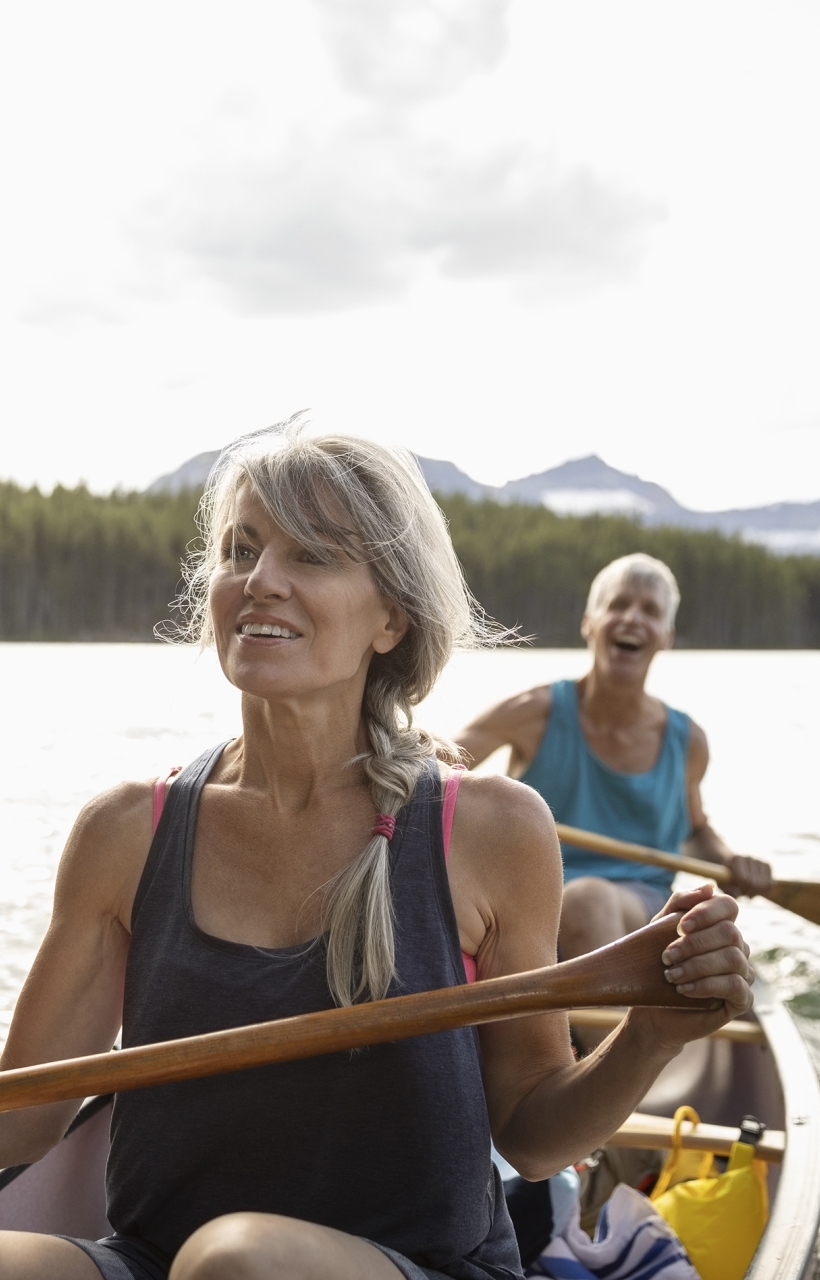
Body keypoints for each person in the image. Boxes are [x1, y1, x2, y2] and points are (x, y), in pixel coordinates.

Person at [0, 420, 754, 1280]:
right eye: (241, 550)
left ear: (391, 617)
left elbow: (536, 1137)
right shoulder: (125, 831)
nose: (260, 582)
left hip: (420, 1265)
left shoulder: (491, 830)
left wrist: (653, 1033)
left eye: (311, 556)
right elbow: (21, 1119)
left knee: (235, 1263)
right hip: (151, 1260)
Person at [455, 553, 772, 981]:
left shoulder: (688, 741)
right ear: (590, 623)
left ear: (666, 636)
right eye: (618, 605)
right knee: (579, 899)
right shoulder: (532, 713)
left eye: (650, 611)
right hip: (529, 903)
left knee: (589, 901)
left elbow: (693, 834)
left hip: (641, 910)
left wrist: (733, 862)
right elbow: (433, 775)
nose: (632, 619)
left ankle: (622, 1036)